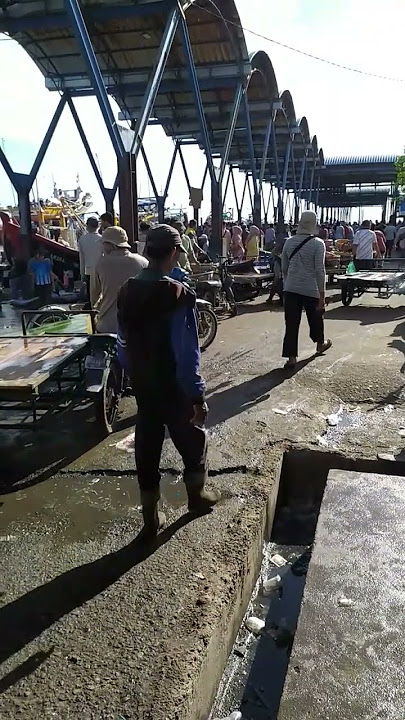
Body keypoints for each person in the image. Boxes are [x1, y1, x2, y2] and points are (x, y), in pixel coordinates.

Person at [117, 224, 219, 538]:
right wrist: (197, 395)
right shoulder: (179, 294)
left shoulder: (127, 290)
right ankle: (196, 498)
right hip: (174, 388)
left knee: (147, 446)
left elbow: (121, 343)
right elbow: (187, 353)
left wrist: (134, 372)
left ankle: (151, 518)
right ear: (174, 252)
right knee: (192, 441)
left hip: (144, 387)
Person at [281, 210, 331, 369]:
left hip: (291, 289)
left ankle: (291, 358)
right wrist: (322, 295)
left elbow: (284, 267)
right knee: (316, 318)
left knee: (291, 324)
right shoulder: (318, 244)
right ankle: (320, 344)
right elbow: (319, 270)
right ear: (314, 224)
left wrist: (289, 282)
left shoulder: (289, 242)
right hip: (311, 289)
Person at [91, 226, 148, 334]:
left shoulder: (101, 264)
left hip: (108, 324)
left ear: (110, 245)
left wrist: (95, 311)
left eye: (104, 243)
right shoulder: (142, 262)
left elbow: (95, 293)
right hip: (136, 325)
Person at [78, 216, 103, 300]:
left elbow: (82, 259)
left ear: (87, 226)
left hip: (88, 271)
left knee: (91, 296)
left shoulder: (82, 239)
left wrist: (82, 274)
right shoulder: (102, 239)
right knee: (102, 294)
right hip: (101, 271)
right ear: (98, 226)